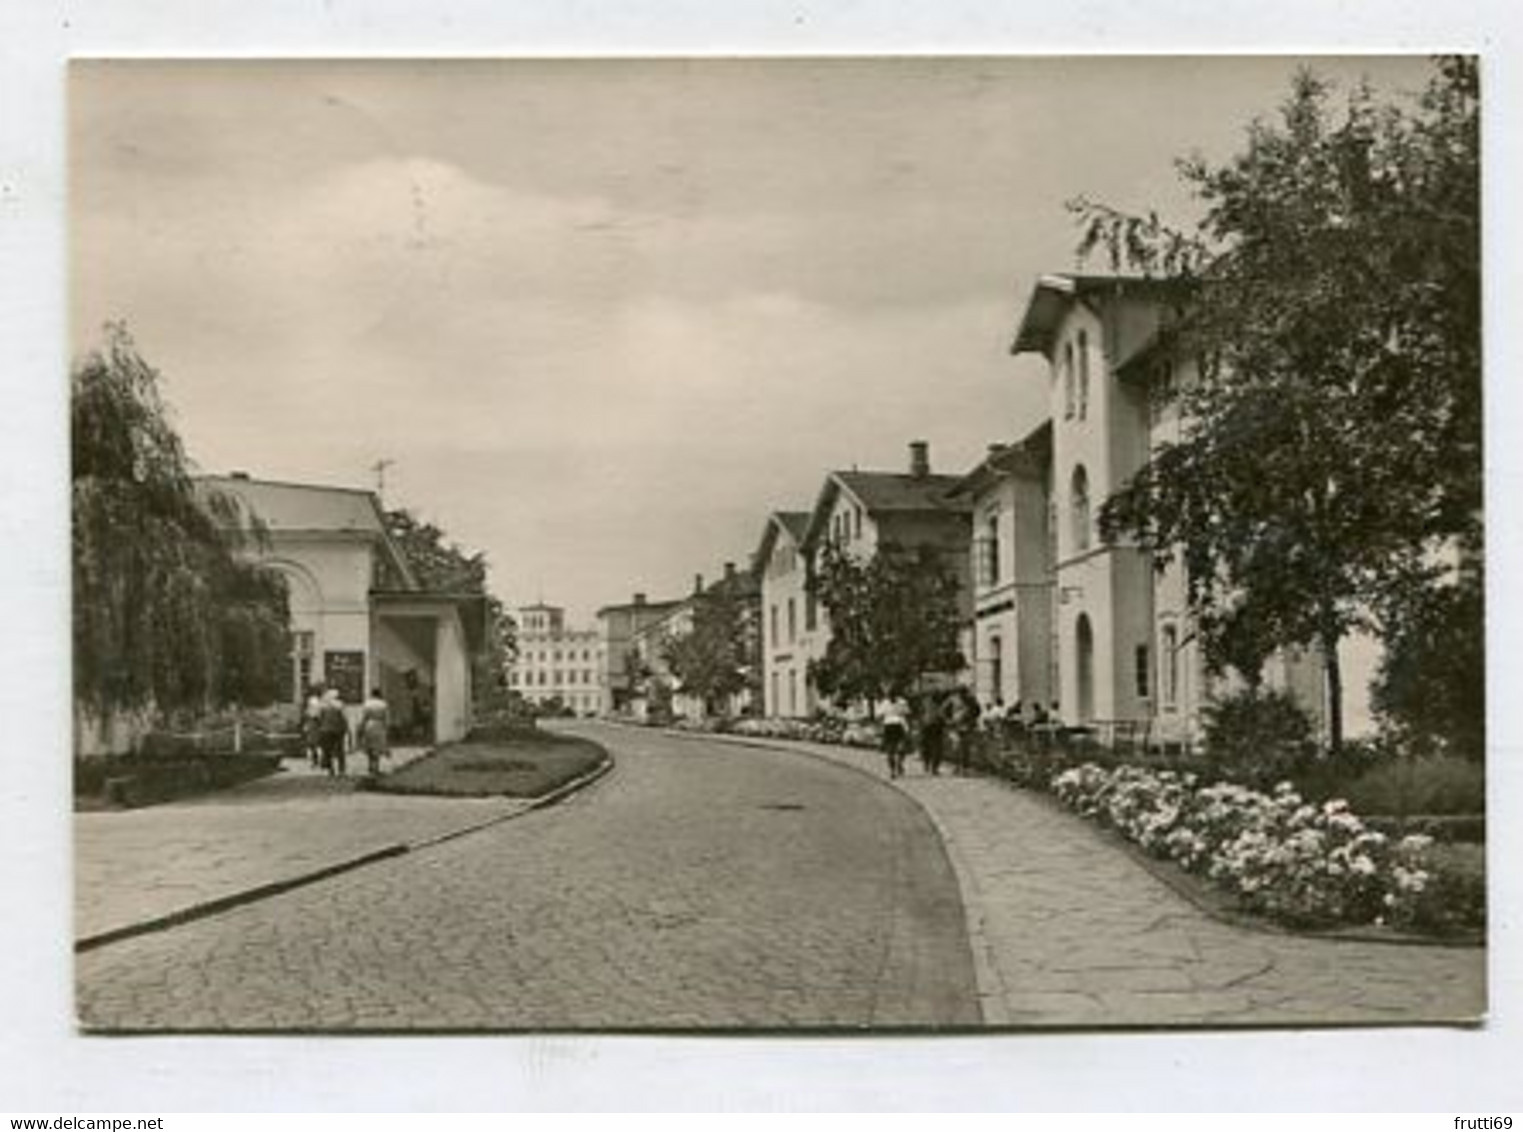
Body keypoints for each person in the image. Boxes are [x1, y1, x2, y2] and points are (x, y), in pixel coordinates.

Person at [359, 686, 390, 778]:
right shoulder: (383, 704)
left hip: (369, 724)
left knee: (369, 746)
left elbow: (364, 717)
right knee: (377, 747)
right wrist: (386, 728)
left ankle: (370, 766)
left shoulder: (367, 704)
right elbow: (386, 718)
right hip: (379, 725)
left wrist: (362, 727)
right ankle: (376, 767)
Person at [317, 688, 349, 777]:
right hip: (338, 730)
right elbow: (344, 717)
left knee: (328, 750)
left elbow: (319, 718)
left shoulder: (323, 705)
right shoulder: (340, 705)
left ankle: (331, 769)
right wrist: (346, 728)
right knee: (340, 750)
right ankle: (341, 769)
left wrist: (320, 728)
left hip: (326, 730)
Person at [880, 696, 910, 779]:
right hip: (889, 726)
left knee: (901, 748)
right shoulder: (885, 703)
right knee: (890, 750)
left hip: (899, 725)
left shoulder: (902, 702)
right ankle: (892, 770)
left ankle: (899, 763)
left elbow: (907, 713)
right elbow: (880, 715)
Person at [918, 693, 946, 776]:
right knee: (936, 747)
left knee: (927, 746)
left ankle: (928, 765)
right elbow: (942, 716)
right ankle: (933, 768)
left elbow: (921, 713)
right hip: (934, 726)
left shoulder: (926, 702)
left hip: (927, 726)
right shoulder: (940, 706)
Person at [303, 684, 324, 768]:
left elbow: (308, 713)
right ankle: (318, 761)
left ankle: (315, 761)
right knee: (316, 743)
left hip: (313, 722)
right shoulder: (318, 701)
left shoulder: (312, 701)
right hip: (317, 723)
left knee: (313, 743)